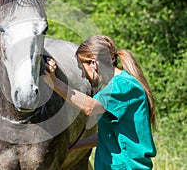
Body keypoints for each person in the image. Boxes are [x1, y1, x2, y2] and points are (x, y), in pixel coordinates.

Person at [43, 35, 156, 169]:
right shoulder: (117, 86)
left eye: (82, 69)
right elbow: (107, 134)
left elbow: (90, 107)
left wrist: (54, 82)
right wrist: (73, 146)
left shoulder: (122, 86)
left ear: (94, 63)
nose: (83, 76)